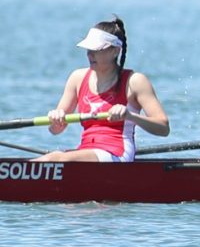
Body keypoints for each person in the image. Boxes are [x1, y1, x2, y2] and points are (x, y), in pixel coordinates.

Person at [38, 18, 170, 162]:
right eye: (89, 49)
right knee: (49, 159)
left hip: (118, 153)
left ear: (115, 51)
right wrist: (56, 120)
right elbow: (55, 131)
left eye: (97, 50)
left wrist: (130, 116)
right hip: (86, 151)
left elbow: (163, 128)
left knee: (55, 159)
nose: (90, 54)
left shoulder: (135, 81)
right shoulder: (77, 78)